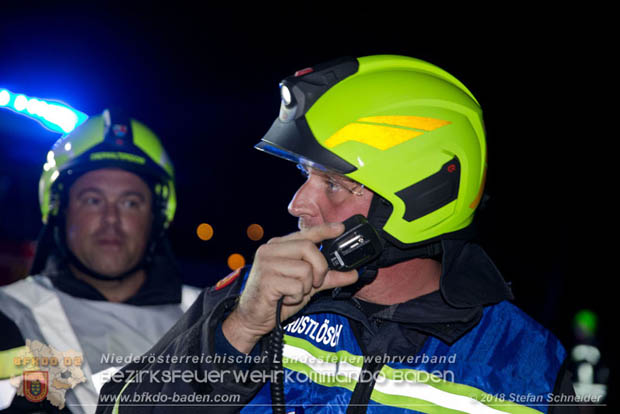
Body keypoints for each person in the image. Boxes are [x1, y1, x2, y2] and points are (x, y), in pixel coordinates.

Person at [97, 55, 577, 413]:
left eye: (333, 183)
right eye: (305, 176)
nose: (298, 204)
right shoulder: (252, 299)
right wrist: (239, 332)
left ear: (422, 195)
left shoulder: (531, 364)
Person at [0, 109, 201, 413]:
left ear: (158, 217)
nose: (111, 219)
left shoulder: (208, 317)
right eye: (92, 200)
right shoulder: (10, 315)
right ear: (59, 209)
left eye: (130, 202)